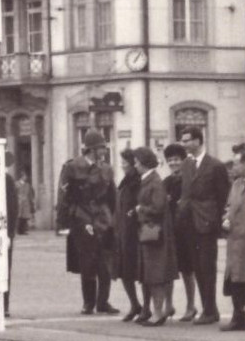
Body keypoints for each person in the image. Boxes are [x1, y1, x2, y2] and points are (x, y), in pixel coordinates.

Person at [59, 129, 119, 315]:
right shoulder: (72, 167)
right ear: (92, 149)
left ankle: (103, 302)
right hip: (82, 217)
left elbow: (112, 196)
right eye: (102, 147)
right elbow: (64, 197)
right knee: (88, 262)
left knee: (106, 262)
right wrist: (64, 223)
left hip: (104, 218)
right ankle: (88, 302)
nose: (104, 150)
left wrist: (114, 220)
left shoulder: (107, 169)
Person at [178, 128, 231, 325]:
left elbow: (223, 197)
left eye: (187, 140)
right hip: (189, 223)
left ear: (198, 141)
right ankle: (208, 309)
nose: (183, 144)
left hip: (206, 224)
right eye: (182, 140)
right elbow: (185, 194)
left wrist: (218, 225)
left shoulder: (215, 166)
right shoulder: (186, 164)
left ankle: (210, 310)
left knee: (207, 267)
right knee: (198, 267)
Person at [132, 147, 178, 326]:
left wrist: (140, 209)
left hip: (155, 235)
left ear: (143, 163)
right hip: (149, 233)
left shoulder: (154, 181)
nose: (134, 165)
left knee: (156, 275)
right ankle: (156, 312)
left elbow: (157, 208)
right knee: (151, 274)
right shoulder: (149, 180)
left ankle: (158, 314)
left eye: (136, 162)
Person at [221, 143, 245, 331]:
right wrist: (226, 218)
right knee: (235, 279)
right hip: (234, 239)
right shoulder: (236, 184)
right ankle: (238, 317)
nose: (233, 168)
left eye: (236, 164)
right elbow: (229, 206)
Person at [162, 143, 193, 319]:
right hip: (169, 231)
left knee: (187, 270)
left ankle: (190, 306)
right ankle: (169, 305)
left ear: (182, 161)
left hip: (186, 231)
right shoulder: (166, 182)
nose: (173, 163)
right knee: (168, 269)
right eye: (170, 160)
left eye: (176, 159)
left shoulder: (188, 181)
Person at [113, 148, 145, 321]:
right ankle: (135, 304)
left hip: (135, 232)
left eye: (125, 163)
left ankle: (145, 307)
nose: (122, 165)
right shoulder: (125, 182)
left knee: (140, 271)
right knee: (125, 271)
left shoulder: (139, 182)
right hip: (123, 232)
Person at [2, 153, 18, 315]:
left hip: (4, 233)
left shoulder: (7, 180)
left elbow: (13, 209)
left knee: (5, 269)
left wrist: (10, 234)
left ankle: (4, 304)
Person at [15, 170, 35, 235]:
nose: (25, 177)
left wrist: (31, 201)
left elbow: (31, 194)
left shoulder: (28, 185)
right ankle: (19, 230)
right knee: (19, 217)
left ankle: (23, 230)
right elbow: (15, 193)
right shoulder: (16, 184)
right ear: (21, 177)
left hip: (26, 203)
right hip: (19, 203)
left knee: (25, 218)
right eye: (24, 176)